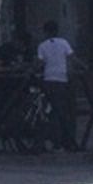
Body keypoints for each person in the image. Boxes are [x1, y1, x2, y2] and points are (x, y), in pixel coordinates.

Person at [36, 20, 77, 152]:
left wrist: (31, 69)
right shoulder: (64, 43)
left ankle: (52, 140)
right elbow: (72, 58)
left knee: (48, 111)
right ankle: (65, 141)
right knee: (62, 111)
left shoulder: (42, 46)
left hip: (48, 79)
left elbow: (40, 63)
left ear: (45, 32)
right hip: (62, 80)